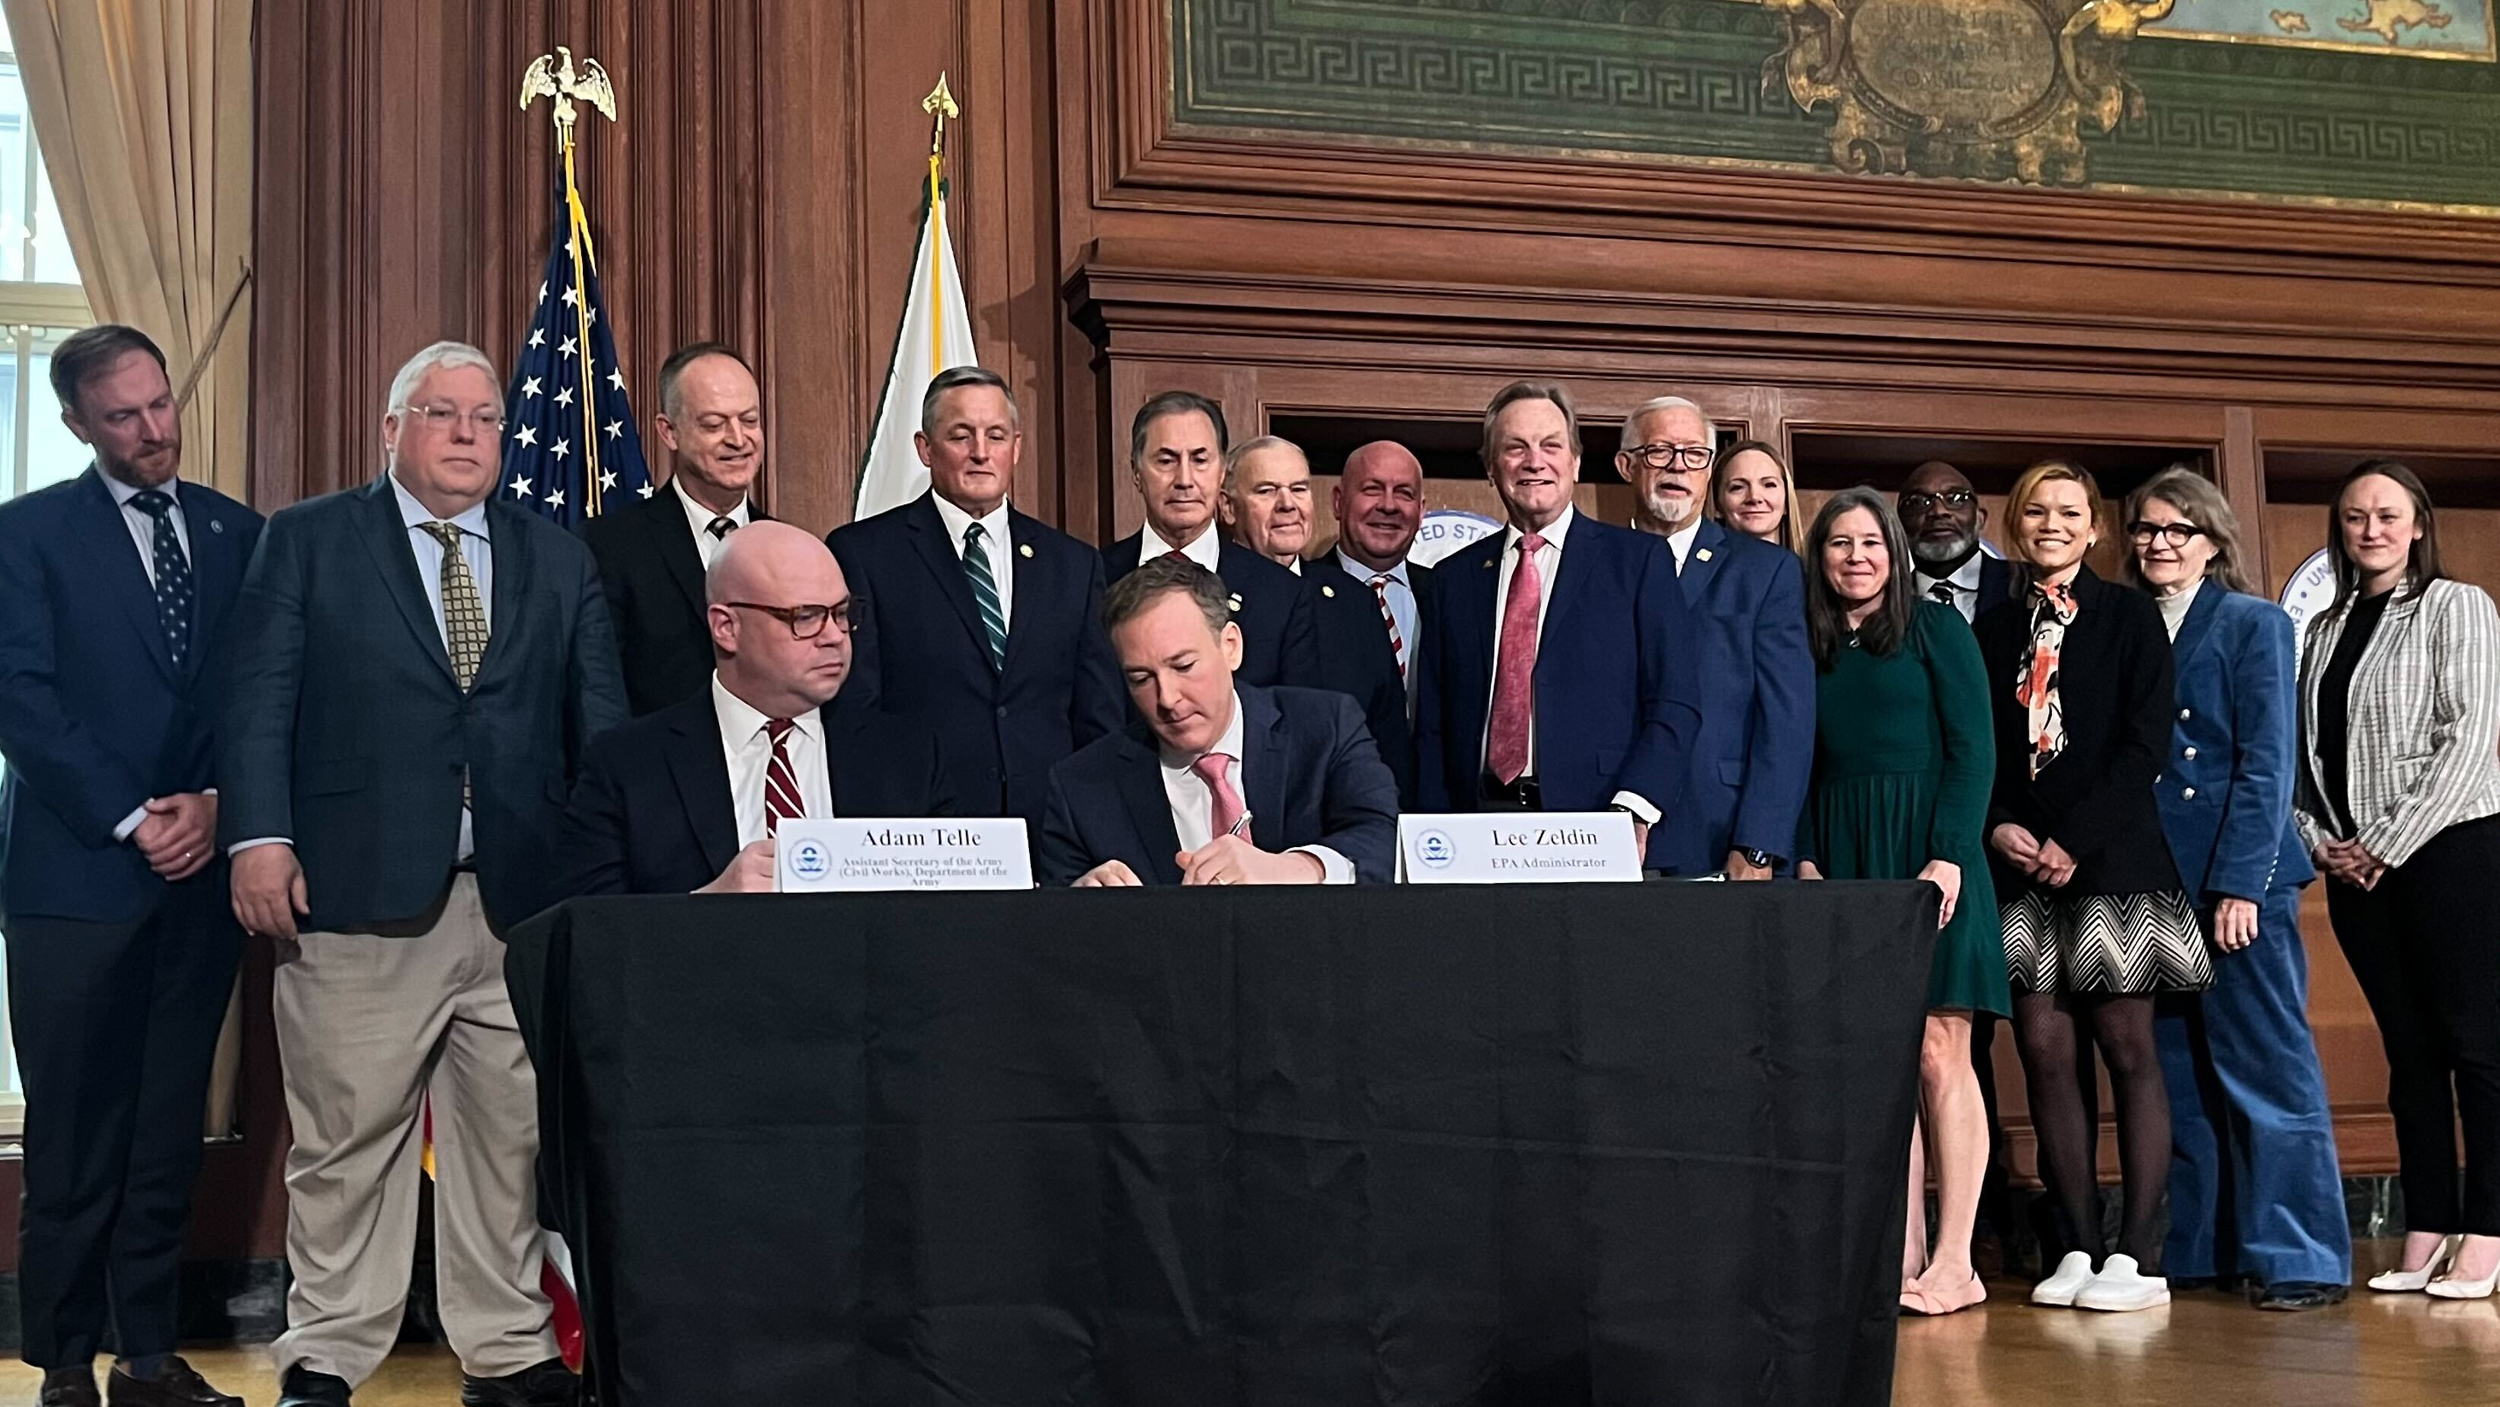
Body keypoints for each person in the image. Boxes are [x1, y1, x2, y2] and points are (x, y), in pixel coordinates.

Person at [219, 341, 628, 1407]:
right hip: (355, 899)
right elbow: (258, 700)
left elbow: (602, 730)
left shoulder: (558, 557)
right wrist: (258, 837)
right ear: (390, 429)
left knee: (508, 1139)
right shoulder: (307, 541)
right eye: (439, 412)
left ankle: (506, 1348)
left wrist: (603, 873)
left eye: (485, 417)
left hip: (519, 902)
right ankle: (331, 1351)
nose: (465, 433)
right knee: (347, 1138)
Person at [0, 326, 258, 1407]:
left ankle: (147, 1353)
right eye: (124, 416)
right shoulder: (25, 536)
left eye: (160, 404)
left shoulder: (235, 532)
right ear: (75, 425)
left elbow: (260, 695)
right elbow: (23, 698)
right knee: (72, 1128)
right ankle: (61, 1360)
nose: (155, 430)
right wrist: (130, 817)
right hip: (74, 888)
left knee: (165, 1127)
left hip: (200, 886)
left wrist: (215, 806)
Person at [1974, 459, 2205, 1314]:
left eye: (2070, 511)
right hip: (2023, 864)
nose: (2053, 523)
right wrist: (2000, 824)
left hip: (2112, 860)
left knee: (2127, 1049)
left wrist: (2075, 837)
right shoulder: (1991, 628)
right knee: (2043, 1048)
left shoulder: (2130, 614)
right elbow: (1980, 747)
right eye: (2037, 510)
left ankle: (2138, 1257)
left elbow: (2143, 745)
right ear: (2015, 522)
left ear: (2095, 527)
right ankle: (2074, 1241)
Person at [2124, 467, 2349, 1312]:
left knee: (2267, 1067)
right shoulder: (2123, 622)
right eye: (2147, 529)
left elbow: (2267, 764)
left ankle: (2303, 1255)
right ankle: (2203, 1246)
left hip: (2233, 879)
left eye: (2178, 529)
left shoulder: (2252, 623)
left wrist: (2241, 884)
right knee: (2178, 1072)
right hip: (2151, 878)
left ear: (2214, 539)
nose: (2159, 544)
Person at [1793, 488, 2004, 1318]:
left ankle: (1958, 1257)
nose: (1855, 556)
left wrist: (1949, 853)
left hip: (1930, 853)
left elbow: (1974, 750)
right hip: (1847, 858)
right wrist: (1807, 855)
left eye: (1870, 542)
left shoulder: (1937, 629)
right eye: (1839, 543)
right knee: (1881, 1064)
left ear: (1896, 551)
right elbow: (1800, 761)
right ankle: (1905, 1254)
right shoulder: (1809, 642)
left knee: (1937, 1051)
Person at [2294, 460, 2500, 1299]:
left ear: (2418, 524)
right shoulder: (2323, 628)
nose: (2369, 529)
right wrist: (2322, 841)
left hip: (2449, 854)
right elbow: (2304, 760)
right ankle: (2429, 1224)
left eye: (2387, 514)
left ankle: (2487, 1232)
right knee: (2409, 1054)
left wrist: (2385, 840)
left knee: (2476, 1047)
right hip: (2353, 869)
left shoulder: (2458, 607)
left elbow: (2472, 737)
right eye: (2353, 517)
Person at [557, 523, 955, 896]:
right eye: (807, 617)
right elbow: (591, 935)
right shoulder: (626, 766)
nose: (835, 637)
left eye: (841, 613)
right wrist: (704, 909)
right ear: (726, 628)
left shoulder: (910, 758)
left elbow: (949, 926)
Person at [1413, 381, 1703, 866]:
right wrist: (1433, 833)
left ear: (1575, 462)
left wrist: (1633, 810)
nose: (1534, 461)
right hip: (1473, 835)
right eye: (1515, 447)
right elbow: (1433, 729)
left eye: (1551, 445)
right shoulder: (1452, 580)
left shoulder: (1638, 563)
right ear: (1490, 467)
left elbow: (1674, 704)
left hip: (1598, 830)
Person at [827, 367, 1121, 827]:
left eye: (996, 436)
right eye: (961, 436)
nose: (980, 453)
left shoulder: (1074, 565)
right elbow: (859, 714)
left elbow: (1098, 716)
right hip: (924, 831)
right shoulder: (866, 554)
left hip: (1052, 833)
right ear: (926, 449)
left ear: (1016, 448)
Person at [1037, 557, 1398, 887]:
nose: (1167, 699)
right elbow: (1050, 935)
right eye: (1141, 679)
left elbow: (1381, 838)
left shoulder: (1326, 728)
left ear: (1230, 646)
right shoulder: (1081, 789)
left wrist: (1296, 868)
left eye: (1184, 666)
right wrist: (1080, 910)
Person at [1620, 397, 1812, 878]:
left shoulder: (1765, 571)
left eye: (1694, 454)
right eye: (1659, 451)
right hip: (1606, 836)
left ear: (1708, 471)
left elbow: (1787, 721)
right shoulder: (1596, 564)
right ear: (1627, 466)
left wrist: (1758, 846)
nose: (1677, 467)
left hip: (1721, 839)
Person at [580, 342, 773, 715]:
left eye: (749, 420)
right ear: (669, 432)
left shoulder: (788, 547)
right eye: (714, 424)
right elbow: (598, 697)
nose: (738, 439)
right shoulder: (610, 546)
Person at [1221, 435, 1412, 802]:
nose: (1287, 505)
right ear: (1228, 508)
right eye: (1266, 491)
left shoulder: (1356, 601)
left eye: (1299, 489)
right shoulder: (1207, 598)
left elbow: (1388, 740)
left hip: (1343, 826)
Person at [1100, 392, 1319, 688]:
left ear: (1221, 473)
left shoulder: (1282, 594)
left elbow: (1293, 719)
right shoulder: (1094, 577)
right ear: (1137, 473)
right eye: (1166, 461)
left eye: (1200, 460)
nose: (1185, 479)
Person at [1325, 439, 1432, 707]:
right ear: (1339, 502)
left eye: (1404, 493)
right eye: (1372, 489)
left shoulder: (1447, 594)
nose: (1388, 505)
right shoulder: (1300, 591)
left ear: (1421, 512)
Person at [1900, 461, 2015, 624]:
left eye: (1956, 498)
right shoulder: (1884, 600)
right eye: (1918, 502)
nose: (1939, 511)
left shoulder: (2024, 584)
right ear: (1897, 525)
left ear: (1980, 518)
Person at [1710, 439, 1806, 556]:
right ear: (1718, 504)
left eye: (1769, 485)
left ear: (1786, 500)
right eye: (1738, 487)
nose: (1754, 497)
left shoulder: (1811, 571)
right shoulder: (1695, 571)